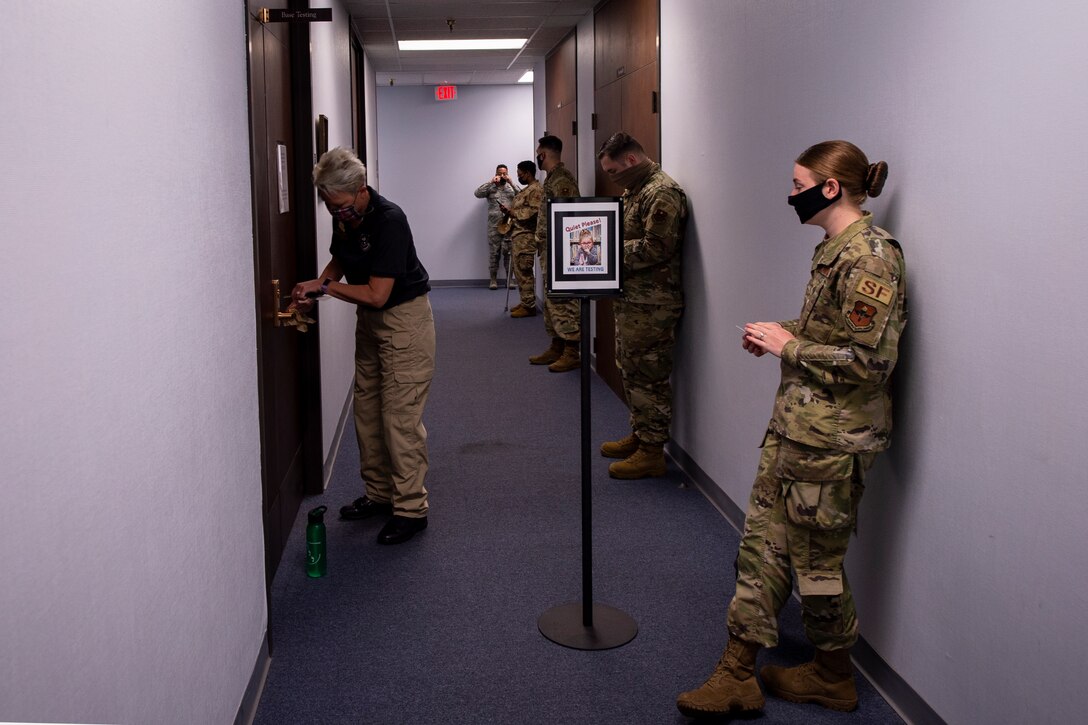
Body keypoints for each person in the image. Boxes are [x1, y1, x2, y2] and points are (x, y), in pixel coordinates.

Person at [676, 141, 906, 718]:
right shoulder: (834, 248)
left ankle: (833, 673)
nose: (790, 192)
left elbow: (870, 363)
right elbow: (824, 329)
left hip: (834, 444)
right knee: (762, 545)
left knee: (814, 564)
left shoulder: (872, 257)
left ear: (829, 188)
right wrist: (779, 330)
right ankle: (736, 672)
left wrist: (791, 346)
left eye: (798, 181)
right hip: (797, 430)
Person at [292, 147, 436, 546]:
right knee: (368, 411)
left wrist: (324, 288)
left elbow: (376, 294)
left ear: (359, 191)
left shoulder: (390, 220)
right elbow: (339, 261)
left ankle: (410, 509)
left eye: (338, 204)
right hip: (371, 324)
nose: (335, 212)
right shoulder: (346, 217)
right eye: (327, 205)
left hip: (404, 320)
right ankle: (380, 495)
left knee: (399, 419)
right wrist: (317, 284)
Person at [596, 132, 687, 479]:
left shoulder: (660, 192)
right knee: (630, 369)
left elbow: (656, 248)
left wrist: (604, 253)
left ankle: (652, 452)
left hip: (654, 305)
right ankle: (640, 434)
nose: (611, 177)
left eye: (613, 170)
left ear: (631, 161)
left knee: (648, 376)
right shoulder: (636, 190)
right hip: (634, 299)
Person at [529, 135, 581, 372]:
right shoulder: (551, 179)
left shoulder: (562, 181)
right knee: (552, 301)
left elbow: (568, 219)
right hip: (549, 251)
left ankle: (572, 350)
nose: (537, 157)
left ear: (544, 155)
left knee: (564, 301)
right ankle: (557, 345)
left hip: (560, 253)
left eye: (538, 153)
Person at [501, 160, 544, 318]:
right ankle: (526, 301)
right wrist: (509, 211)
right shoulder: (526, 190)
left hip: (527, 236)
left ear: (527, 173)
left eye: (520, 174)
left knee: (524, 270)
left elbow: (534, 211)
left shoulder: (536, 190)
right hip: (518, 235)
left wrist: (513, 213)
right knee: (519, 271)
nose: (518, 177)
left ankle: (529, 306)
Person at [474, 164, 518, 289]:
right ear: (496, 174)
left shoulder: (511, 187)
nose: (502, 175)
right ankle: (493, 280)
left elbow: (522, 195)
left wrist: (512, 182)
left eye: (504, 173)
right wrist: (490, 181)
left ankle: (510, 280)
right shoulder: (491, 187)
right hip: (494, 226)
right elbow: (477, 193)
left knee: (509, 253)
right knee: (494, 253)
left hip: (508, 225)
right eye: (500, 173)